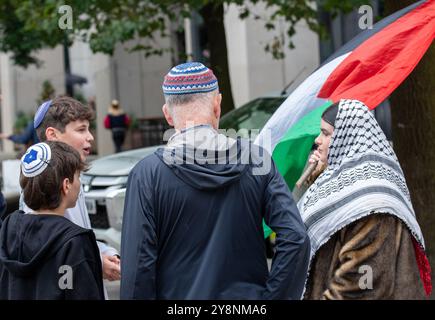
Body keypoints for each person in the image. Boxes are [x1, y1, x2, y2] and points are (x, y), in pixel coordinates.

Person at [120, 62, 310, 300]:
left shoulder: (147, 174)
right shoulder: (257, 161)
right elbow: (296, 237)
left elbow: (138, 269)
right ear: (217, 105)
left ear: (168, 114)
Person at [298, 99, 431, 299]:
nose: (317, 140)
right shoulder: (347, 186)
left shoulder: (370, 204)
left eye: (325, 133)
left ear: (347, 138)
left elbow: (362, 285)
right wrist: (319, 175)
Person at [21, 97, 121, 286]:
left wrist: (105, 253)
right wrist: (96, 263)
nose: (90, 137)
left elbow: (82, 235)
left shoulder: (74, 178)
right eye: (81, 129)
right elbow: (47, 254)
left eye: (88, 129)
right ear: (53, 134)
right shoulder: (40, 186)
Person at [0, 141, 104, 299]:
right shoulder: (73, 242)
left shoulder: (8, 228)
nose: (80, 182)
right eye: (78, 176)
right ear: (66, 185)